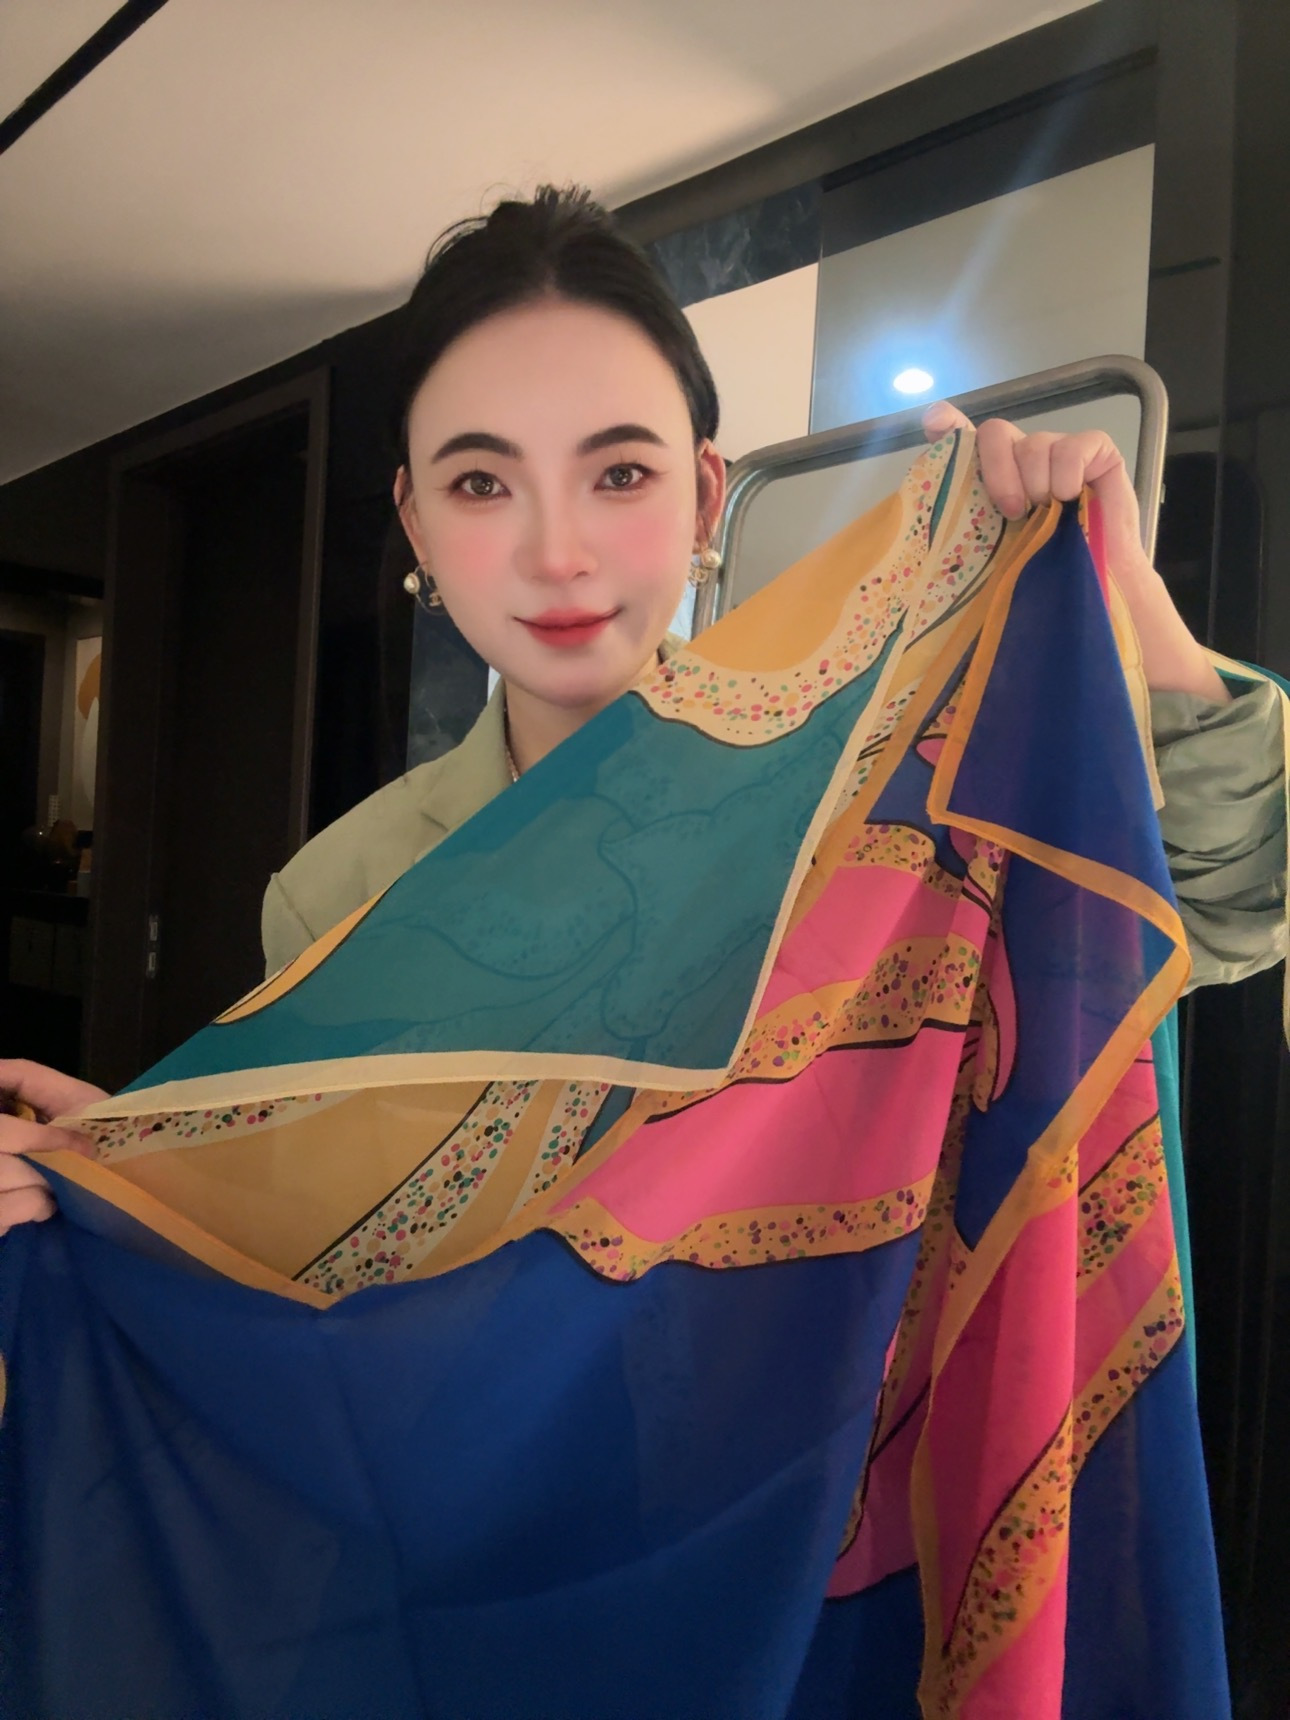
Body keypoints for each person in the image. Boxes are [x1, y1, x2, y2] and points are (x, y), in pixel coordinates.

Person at [0, 183, 1284, 1233]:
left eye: (619, 472)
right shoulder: (338, 892)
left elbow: (1226, 915)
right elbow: (326, 1241)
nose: (557, 555)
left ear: (707, 493)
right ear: (417, 524)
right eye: (482, 484)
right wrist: (138, 1194)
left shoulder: (868, 780)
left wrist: (1138, 619)